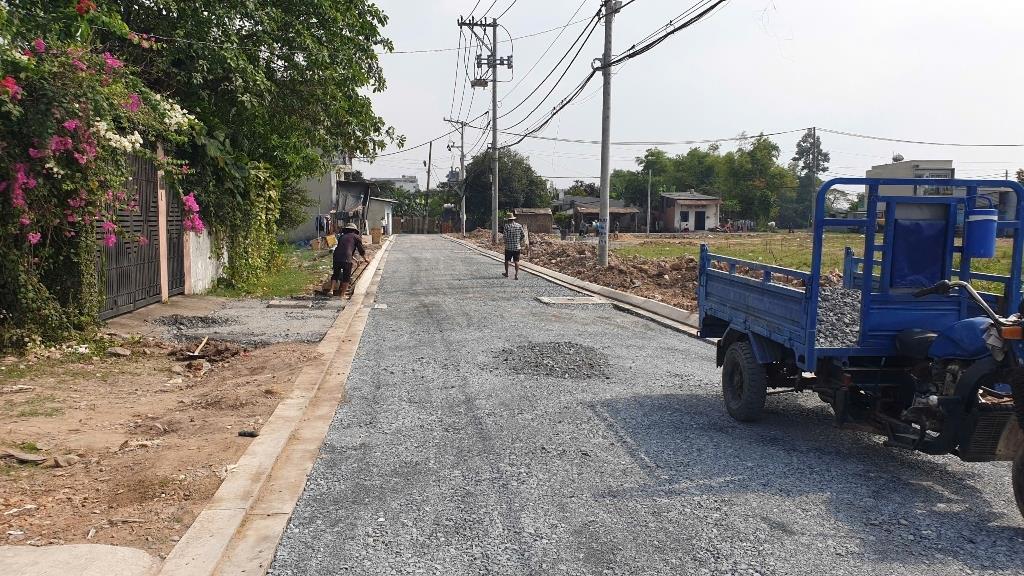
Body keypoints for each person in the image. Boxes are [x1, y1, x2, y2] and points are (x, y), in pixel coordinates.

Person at [332, 223, 370, 298]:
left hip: (336, 257)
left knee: (335, 274)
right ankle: (342, 295)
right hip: (346, 259)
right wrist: (365, 259)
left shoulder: (342, 236)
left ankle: (331, 290)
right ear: (354, 230)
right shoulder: (356, 237)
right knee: (346, 277)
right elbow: (361, 250)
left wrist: (356, 260)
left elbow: (344, 250)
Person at [502, 213, 527, 280]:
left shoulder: (506, 226)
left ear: (508, 219)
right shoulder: (519, 226)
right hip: (517, 247)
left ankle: (507, 273)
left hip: (508, 247)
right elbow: (523, 235)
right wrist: (518, 240)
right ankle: (516, 275)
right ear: (513, 219)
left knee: (507, 260)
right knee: (516, 261)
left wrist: (506, 242)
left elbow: (505, 236)